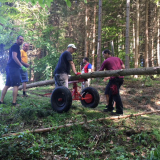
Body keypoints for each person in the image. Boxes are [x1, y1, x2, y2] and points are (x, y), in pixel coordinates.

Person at [0, 35, 26, 106]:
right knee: (16, 85)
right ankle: (14, 103)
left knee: (7, 84)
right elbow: (14, 57)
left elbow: (9, 58)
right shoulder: (15, 46)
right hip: (13, 68)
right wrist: (21, 65)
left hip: (9, 67)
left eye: (22, 40)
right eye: (20, 39)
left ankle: (1, 100)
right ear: (17, 39)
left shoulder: (14, 47)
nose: (21, 41)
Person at [99, 49, 125, 116]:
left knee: (115, 94)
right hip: (120, 78)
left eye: (103, 54)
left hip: (115, 79)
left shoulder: (106, 61)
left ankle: (119, 111)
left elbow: (100, 71)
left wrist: (93, 73)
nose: (103, 56)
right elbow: (123, 67)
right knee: (108, 91)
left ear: (107, 53)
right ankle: (109, 107)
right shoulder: (118, 58)